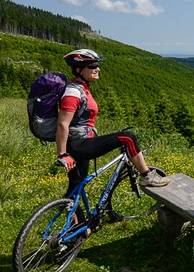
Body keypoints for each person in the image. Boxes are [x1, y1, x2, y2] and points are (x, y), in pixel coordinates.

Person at [56, 49, 170, 201]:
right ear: (78, 70)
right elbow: (63, 124)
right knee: (128, 138)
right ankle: (147, 176)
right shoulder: (73, 92)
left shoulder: (82, 88)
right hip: (79, 144)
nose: (98, 68)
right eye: (92, 66)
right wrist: (63, 155)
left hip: (80, 142)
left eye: (97, 65)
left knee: (76, 187)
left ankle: (76, 224)